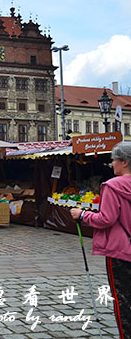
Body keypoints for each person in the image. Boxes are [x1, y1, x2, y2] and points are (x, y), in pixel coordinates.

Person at [70, 143, 131, 338]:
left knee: (123, 301)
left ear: (125, 162)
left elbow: (106, 219)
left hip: (121, 251)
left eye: (114, 160)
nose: (111, 164)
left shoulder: (113, 186)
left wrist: (82, 215)